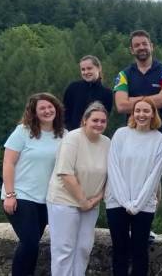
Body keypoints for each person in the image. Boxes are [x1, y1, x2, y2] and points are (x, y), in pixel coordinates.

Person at [1, 93, 66, 276]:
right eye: (42, 108)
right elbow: (8, 163)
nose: (47, 111)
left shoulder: (64, 135)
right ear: (34, 113)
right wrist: (10, 194)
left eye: (50, 106)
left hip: (47, 199)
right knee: (29, 242)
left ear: (56, 108)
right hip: (21, 195)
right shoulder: (23, 131)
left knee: (32, 245)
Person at [105, 97, 162, 276]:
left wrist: (137, 204)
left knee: (140, 251)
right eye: (138, 110)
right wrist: (125, 201)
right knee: (120, 249)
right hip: (116, 201)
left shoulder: (159, 139)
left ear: (153, 114)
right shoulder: (121, 134)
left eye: (146, 111)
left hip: (144, 203)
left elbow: (154, 175)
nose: (142, 114)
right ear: (132, 113)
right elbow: (113, 168)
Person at [46, 102, 109, 276]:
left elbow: (110, 177)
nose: (99, 124)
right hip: (64, 201)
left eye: (103, 121)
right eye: (95, 120)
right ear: (84, 121)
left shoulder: (107, 143)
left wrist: (94, 201)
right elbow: (65, 174)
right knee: (64, 250)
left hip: (91, 204)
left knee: (83, 248)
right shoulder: (72, 139)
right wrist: (82, 201)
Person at [114, 30, 162, 143]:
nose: (141, 47)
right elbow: (121, 106)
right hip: (133, 134)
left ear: (151, 46)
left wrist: (132, 100)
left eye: (144, 44)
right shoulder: (123, 75)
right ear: (132, 50)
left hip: (160, 134)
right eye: (137, 45)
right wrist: (156, 98)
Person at [63, 55, 114, 130]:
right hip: (72, 134)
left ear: (99, 68)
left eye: (89, 68)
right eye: (83, 69)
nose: (86, 72)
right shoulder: (73, 88)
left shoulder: (107, 93)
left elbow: (103, 118)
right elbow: (65, 113)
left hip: (93, 134)